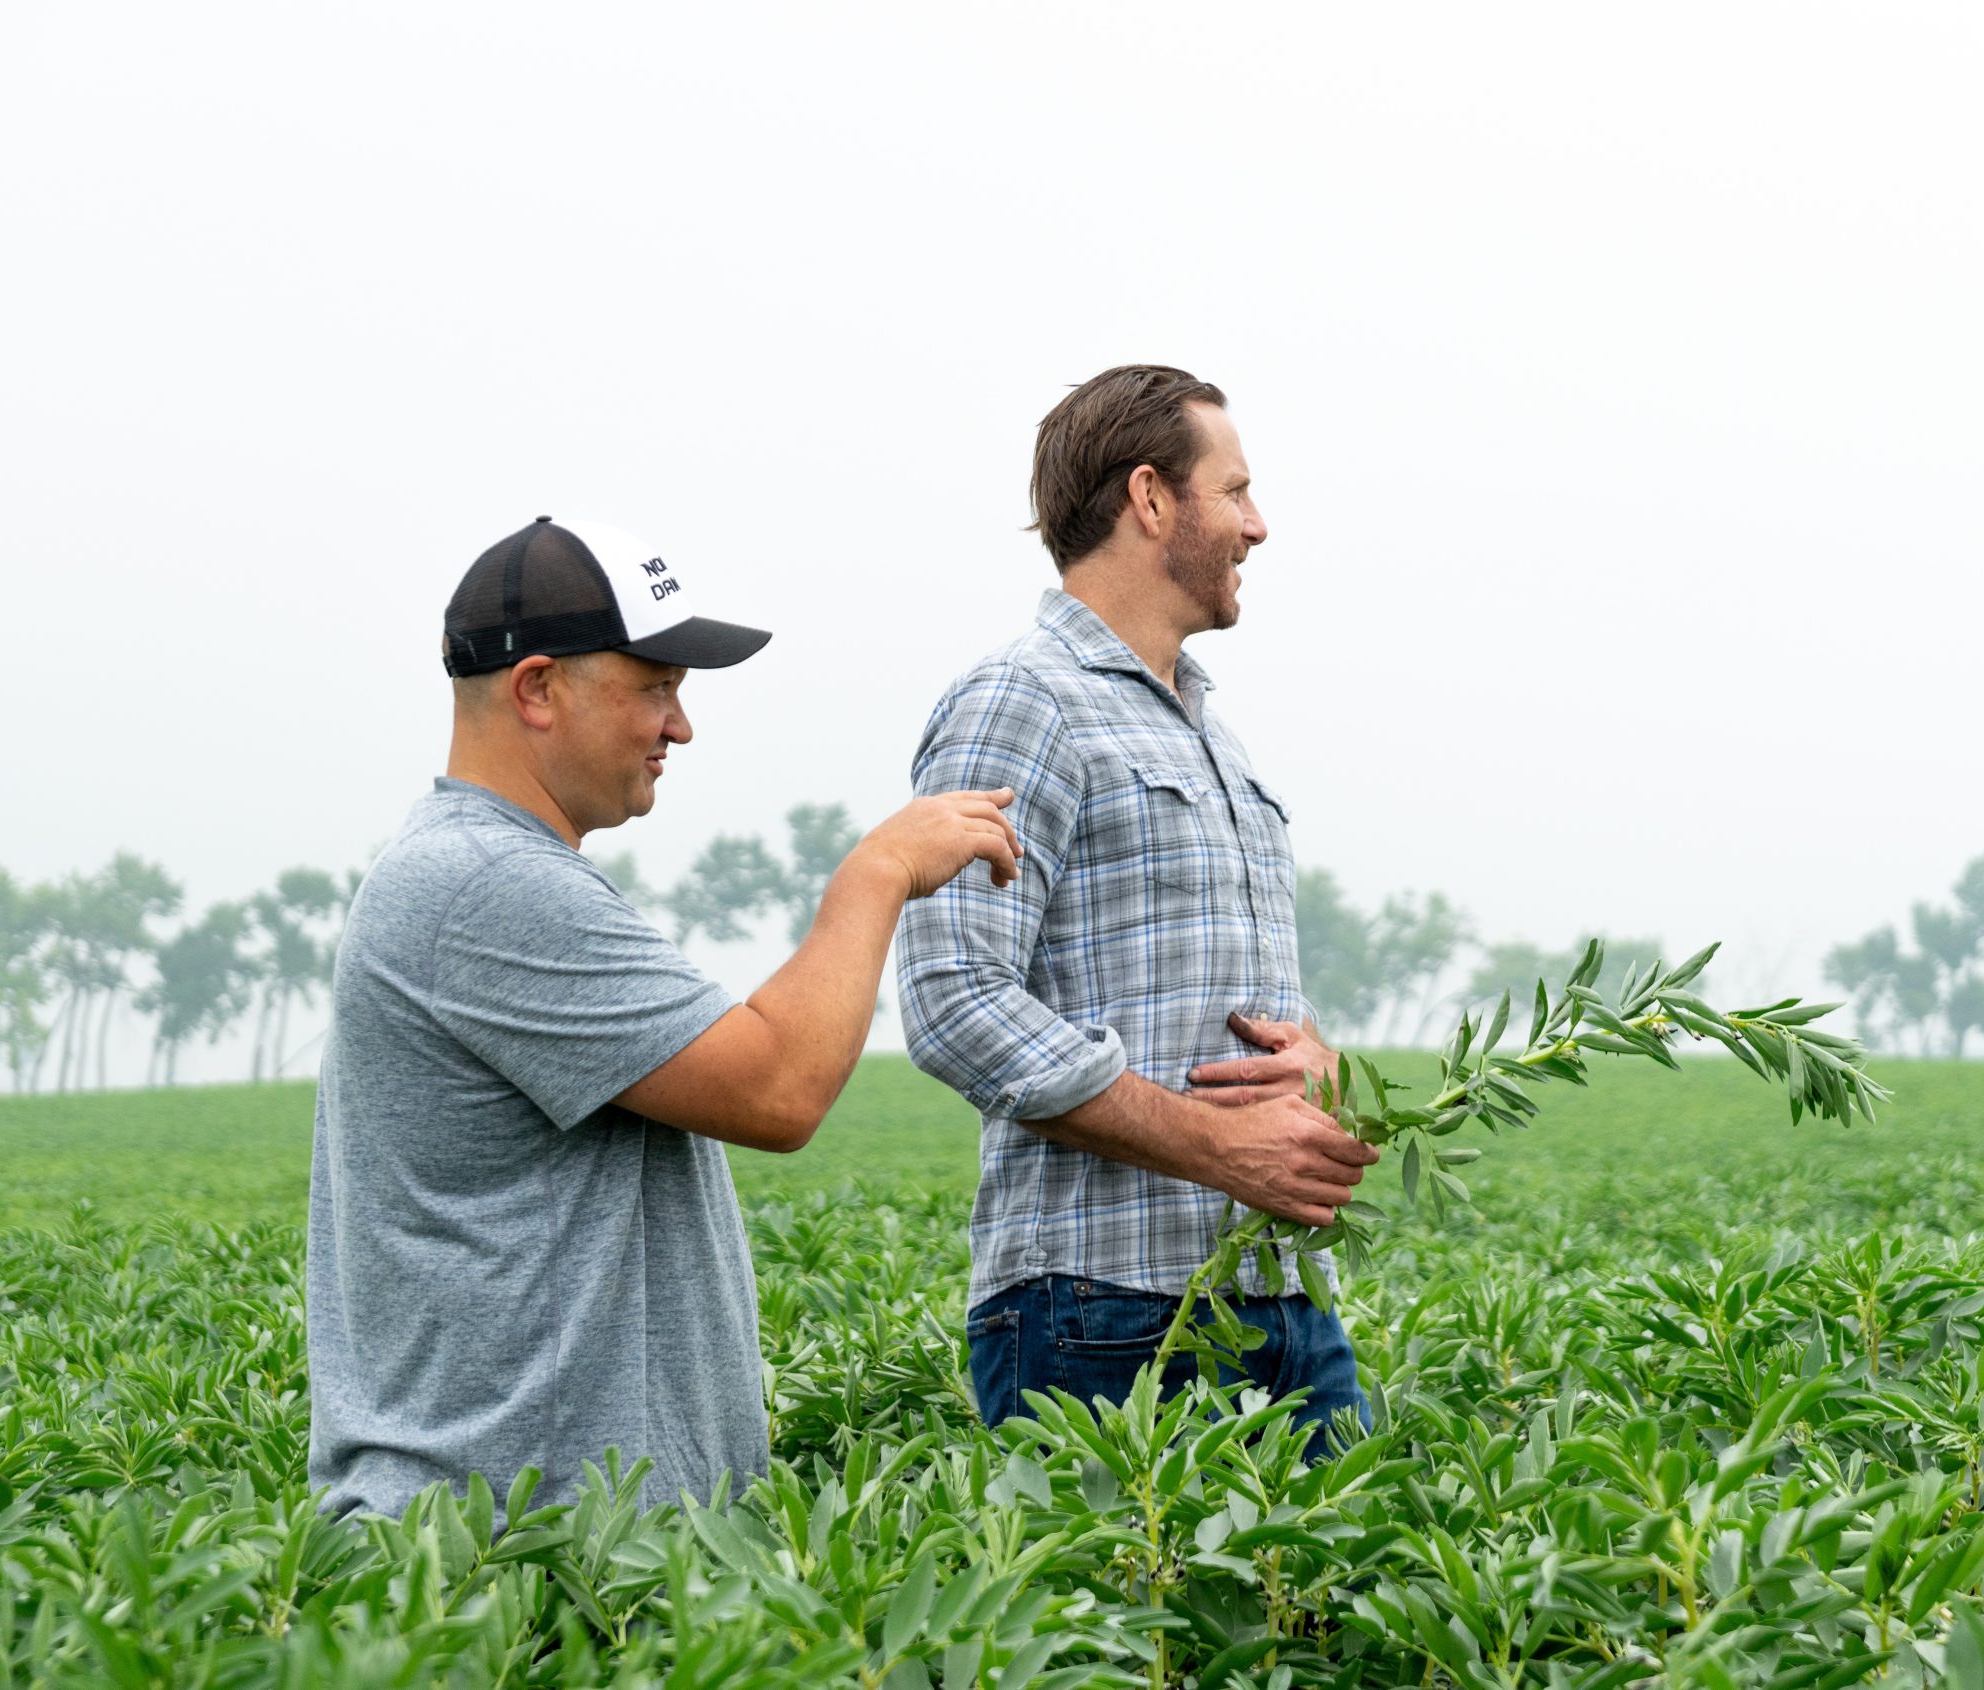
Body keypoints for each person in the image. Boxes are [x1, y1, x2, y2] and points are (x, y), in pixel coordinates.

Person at [308, 515, 1020, 1519]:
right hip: (510, 1562)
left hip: (548, 1548)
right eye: (653, 686)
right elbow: (779, 1088)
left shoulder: (482, 872)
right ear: (538, 689)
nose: (679, 725)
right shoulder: (486, 883)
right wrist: (879, 873)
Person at [896, 367, 1378, 1442]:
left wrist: (1322, 1068)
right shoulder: (1021, 699)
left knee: (1350, 1604)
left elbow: (1202, 1004)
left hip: (1279, 1295)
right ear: (1152, 499)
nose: (1259, 526)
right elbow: (952, 1000)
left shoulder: (1209, 728)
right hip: (1100, 1307)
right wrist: (1217, 1147)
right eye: (1236, 491)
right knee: (1129, 1611)